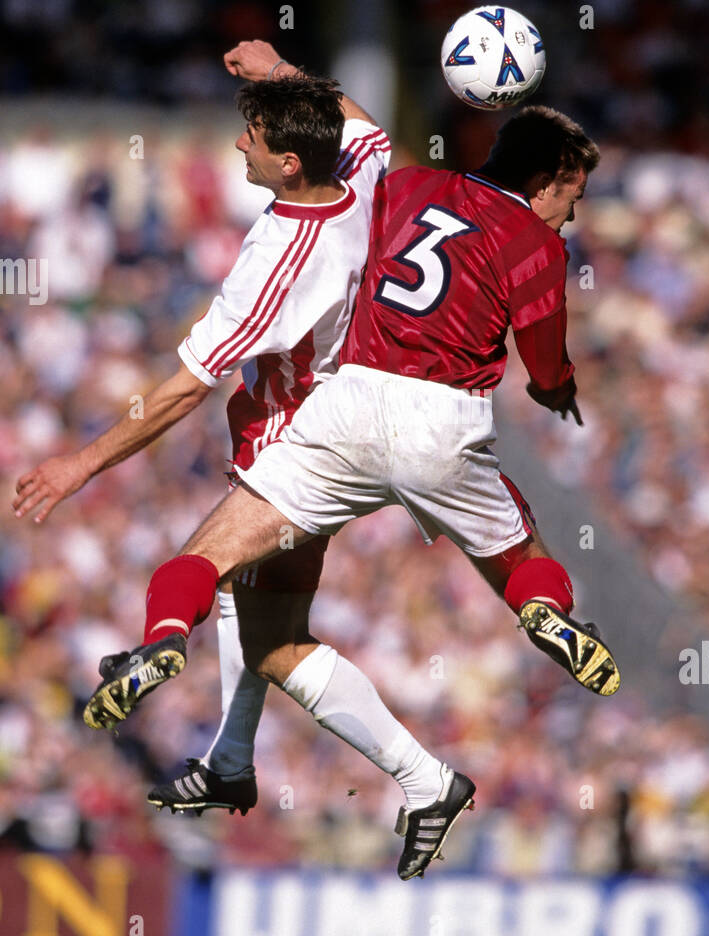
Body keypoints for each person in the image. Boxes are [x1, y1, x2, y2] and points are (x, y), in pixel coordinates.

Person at [80, 101, 621, 873]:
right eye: (573, 193)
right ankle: (545, 613)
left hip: (346, 405)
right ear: (546, 180)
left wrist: (284, 77)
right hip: (445, 421)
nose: (574, 211)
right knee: (518, 553)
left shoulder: (406, 186)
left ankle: (166, 641)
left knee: (207, 556)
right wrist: (559, 389)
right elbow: (544, 367)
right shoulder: (535, 243)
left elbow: (355, 138)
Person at [14, 44, 472, 881]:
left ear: (288, 161)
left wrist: (77, 467)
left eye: (252, 137)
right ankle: (237, 762)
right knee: (265, 629)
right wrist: (281, 73)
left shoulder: (276, 263)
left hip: (301, 438)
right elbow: (360, 127)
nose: (238, 148)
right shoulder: (360, 174)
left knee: (210, 579)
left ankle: (161, 646)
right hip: (363, 415)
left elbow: (182, 390)